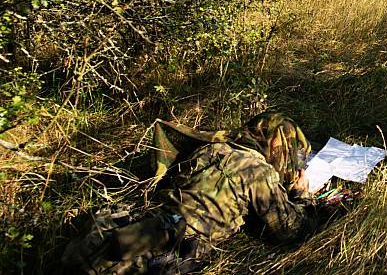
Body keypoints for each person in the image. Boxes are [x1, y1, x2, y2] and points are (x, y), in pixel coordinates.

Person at [60, 113, 315, 274]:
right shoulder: (257, 170)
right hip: (174, 247)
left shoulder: (213, 148)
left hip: (152, 223)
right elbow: (290, 232)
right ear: (277, 145)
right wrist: (302, 195)